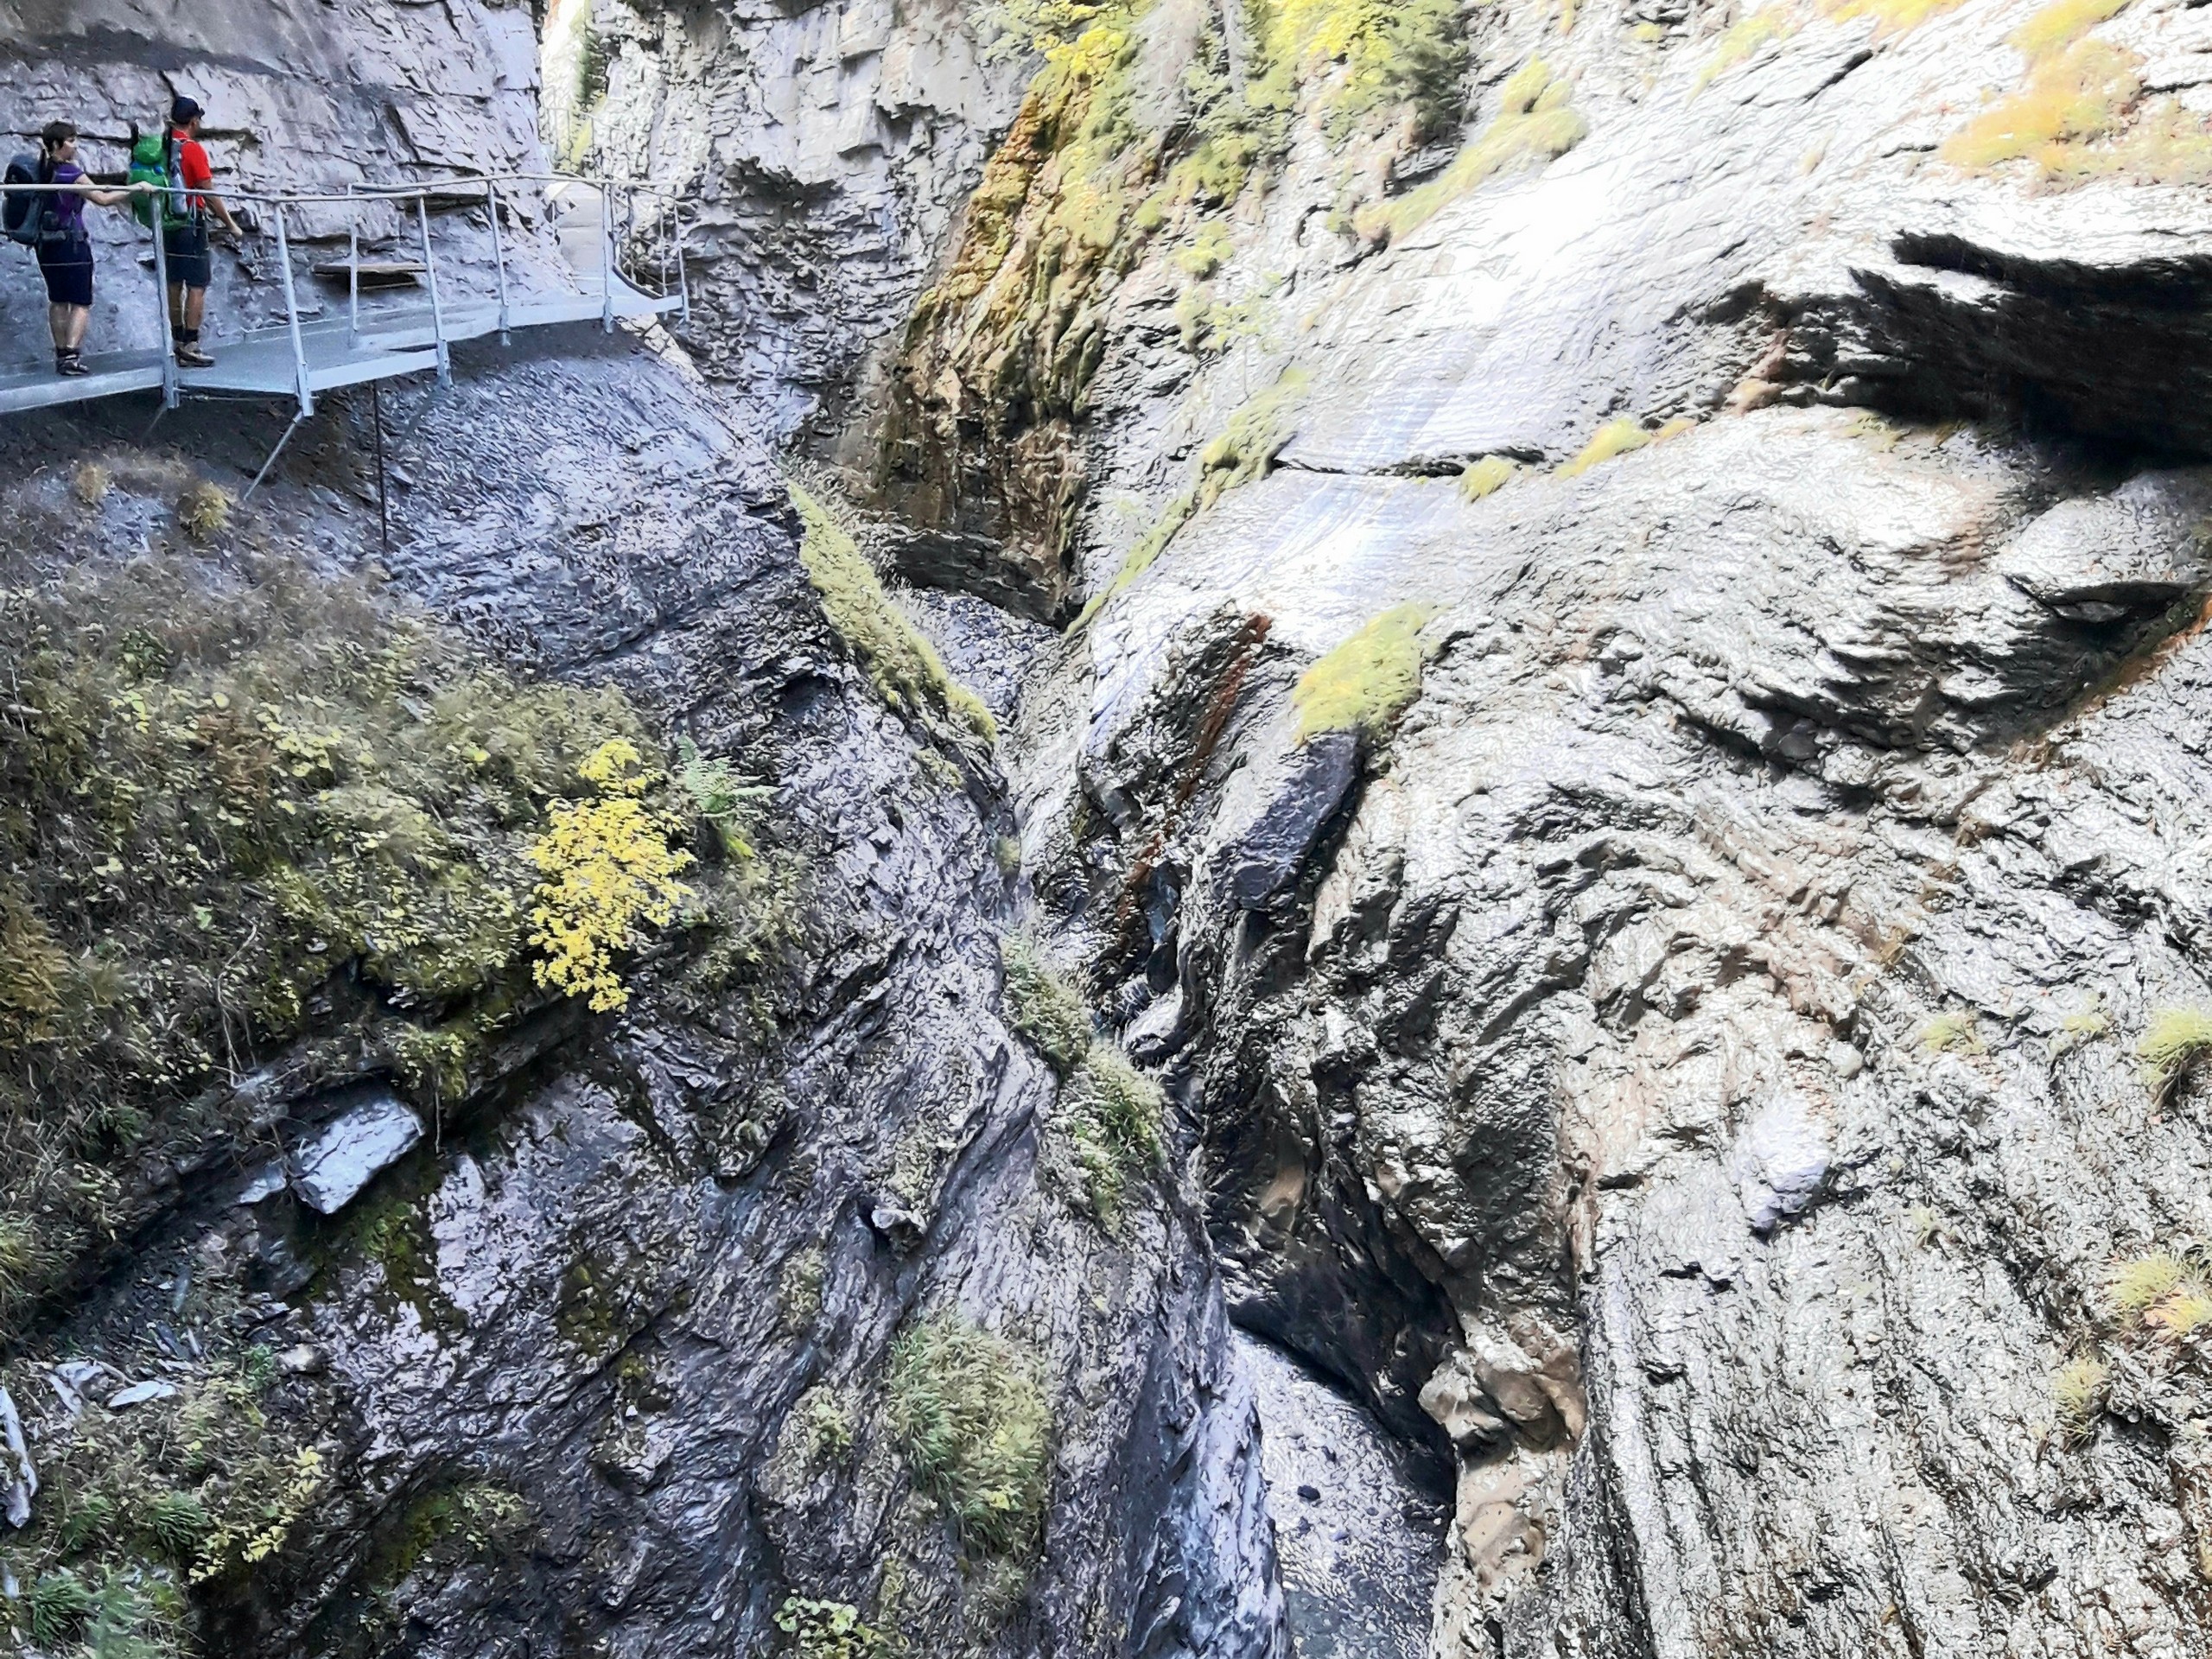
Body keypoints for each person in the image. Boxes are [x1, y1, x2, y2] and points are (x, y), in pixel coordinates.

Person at [30, 121, 138, 378]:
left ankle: (61, 355)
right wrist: (135, 189)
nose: (75, 145)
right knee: (80, 301)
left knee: (57, 299)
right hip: (72, 243)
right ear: (57, 145)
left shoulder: (40, 170)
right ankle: (71, 356)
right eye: (70, 140)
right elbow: (102, 198)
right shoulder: (70, 172)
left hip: (46, 245)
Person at [159, 97, 243, 369]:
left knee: (174, 282)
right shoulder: (192, 149)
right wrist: (230, 223)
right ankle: (191, 345)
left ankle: (175, 339)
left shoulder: (162, 146)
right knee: (197, 284)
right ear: (194, 121)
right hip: (191, 222)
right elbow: (208, 192)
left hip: (168, 221)